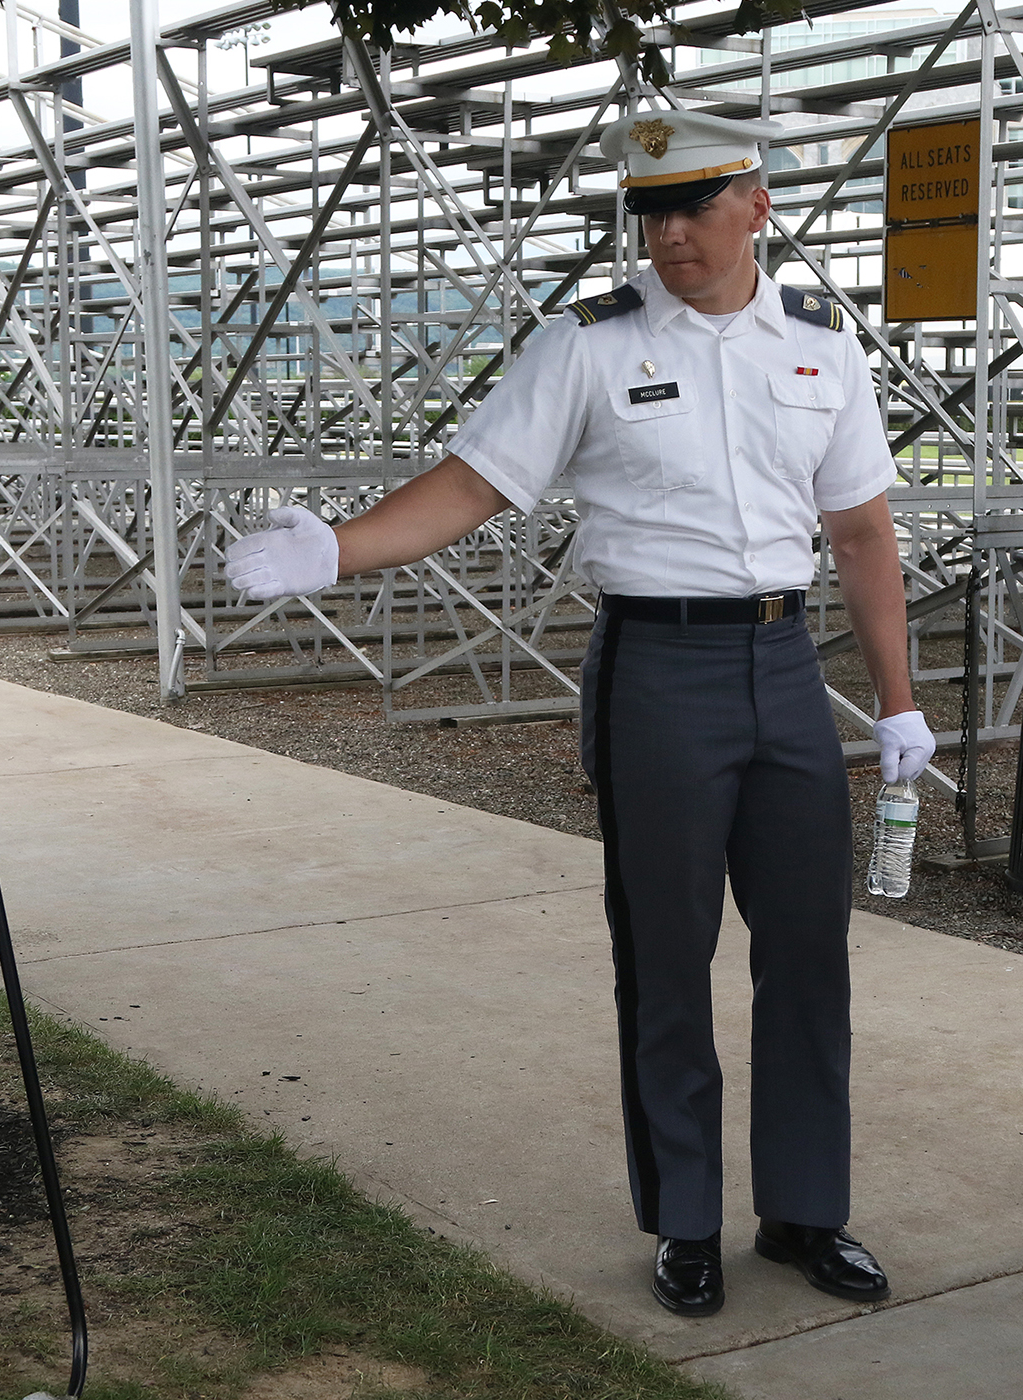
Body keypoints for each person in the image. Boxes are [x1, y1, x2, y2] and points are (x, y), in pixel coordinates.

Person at [223, 108, 934, 1319]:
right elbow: (473, 483)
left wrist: (901, 704)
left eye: (694, 206)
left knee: (809, 955)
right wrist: (335, 550)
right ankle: (688, 1218)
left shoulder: (824, 349)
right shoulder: (586, 347)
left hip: (782, 662)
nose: (669, 235)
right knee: (665, 955)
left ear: (756, 205)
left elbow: (862, 532)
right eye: (650, 213)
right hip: (659, 668)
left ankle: (808, 1207)